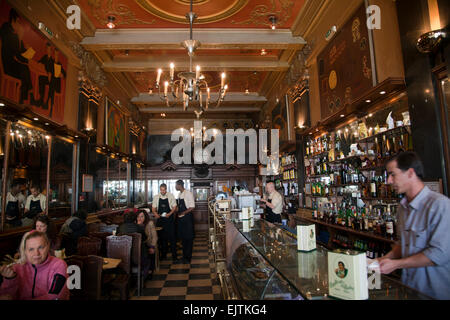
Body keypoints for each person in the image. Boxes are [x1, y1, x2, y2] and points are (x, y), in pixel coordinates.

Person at [378, 152, 450, 300]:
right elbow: (402, 244)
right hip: (409, 289)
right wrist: (385, 259)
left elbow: (439, 254)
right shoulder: (402, 208)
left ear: (410, 173)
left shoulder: (439, 205)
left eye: (393, 175)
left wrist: (396, 264)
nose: (389, 181)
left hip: (434, 292)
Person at [0, 231, 69, 300]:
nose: (36, 253)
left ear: (48, 246)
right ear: (25, 251)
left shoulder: (59, 265)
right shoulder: (17, 267)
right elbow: (6, 296)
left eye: (41, 247)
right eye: (31, 249)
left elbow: (55, 297)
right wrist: (10, 279)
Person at [0, 9, 34, 104]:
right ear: (13, 20)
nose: (19, 25)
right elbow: (18, 55)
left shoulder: (8, 31)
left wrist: (27, 50)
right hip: (8, 64)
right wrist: (27, 61)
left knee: (25, 69)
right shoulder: (9, 32)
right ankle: (23, 99)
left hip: (9, 62)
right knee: (24, 70)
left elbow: (20, 52)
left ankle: (26, 97)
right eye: (18, 22)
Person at [152, 183, 178, 262]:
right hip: (160, 220)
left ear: (166, 189)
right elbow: (153, 208)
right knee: (162, 238)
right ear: (160, 189)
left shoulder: (170, 196)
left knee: (172, 238)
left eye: (164, 190)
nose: (163, 191)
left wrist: (169, 214)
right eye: (161, 190)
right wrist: (156, 214)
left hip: (169, 219)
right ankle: (163, 255)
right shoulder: (156, 197)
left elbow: (174, 207)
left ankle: (174, 256)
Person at [175, 180, 195, 264]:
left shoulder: (188, 193)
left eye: (176, 185)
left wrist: (183, 212)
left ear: (180, 185)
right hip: (181, 219)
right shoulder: (179, 194)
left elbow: (192, 207)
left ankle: (188, 258)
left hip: (187, 219)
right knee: (183, 238)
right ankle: (184, 256)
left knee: (188, 238)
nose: (175, 187)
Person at [136, 210, 158, 280]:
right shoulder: (135, 225)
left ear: (145, 217)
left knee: (149, 253)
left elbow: (154, 237)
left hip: (149, 244)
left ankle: (150, 271)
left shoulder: (150, 223)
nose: (140, 218)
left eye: (142, 216)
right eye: (138, 217)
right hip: (140, 246)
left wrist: (152, 247)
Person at [36, 43, 53, 109]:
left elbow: (52, 71)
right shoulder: (44, 57)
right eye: (47, 49)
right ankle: (41, 99)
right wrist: (40, 63)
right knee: (41, 78)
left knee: (51, 84)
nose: (48, 51)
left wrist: (49, 74)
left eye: (49, 49)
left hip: (50, 78)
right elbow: (39, 62)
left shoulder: (52, 61)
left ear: (51, 51)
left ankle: (46, 102)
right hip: (45, 76)